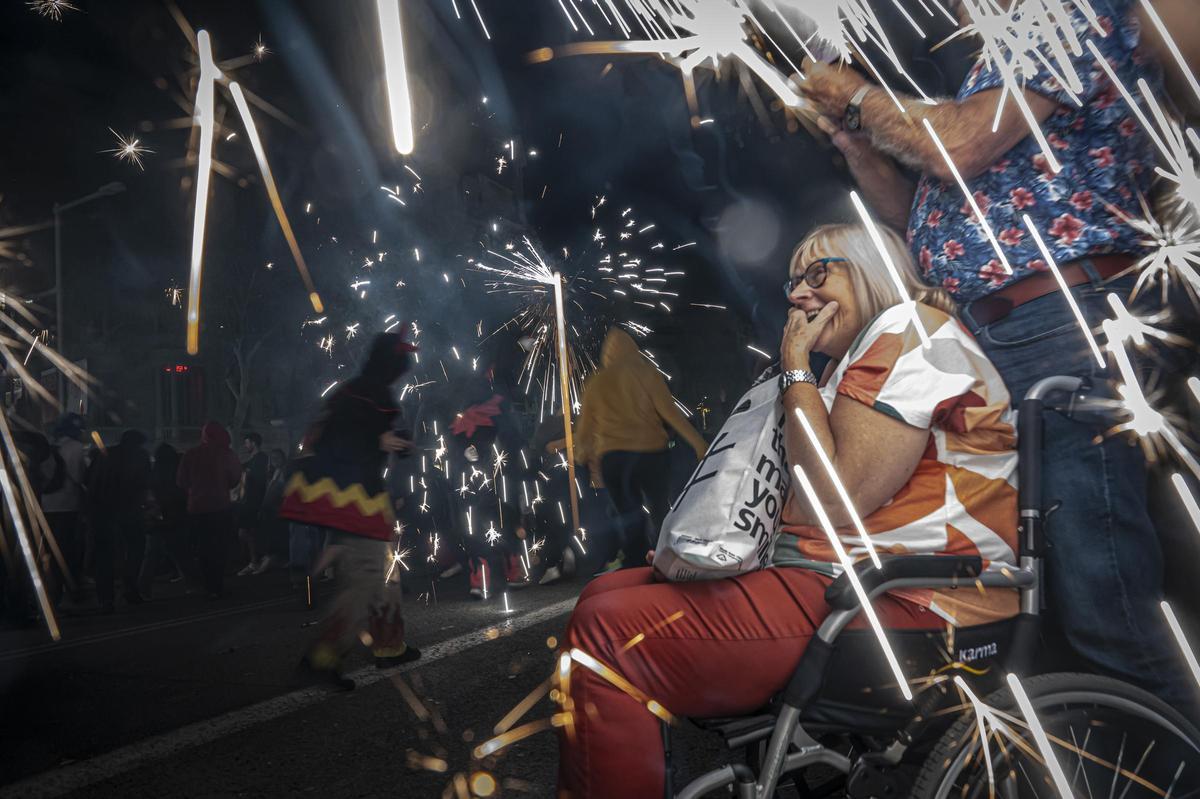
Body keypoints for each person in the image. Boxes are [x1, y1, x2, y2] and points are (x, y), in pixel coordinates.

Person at [794, 0, 1188, 706]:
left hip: (1058, 320)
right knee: (1040, 594)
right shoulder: (992, 58)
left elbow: (956, 145)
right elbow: (921, 223)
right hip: (998, 333)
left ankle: (1175, 753)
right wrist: (858, 142)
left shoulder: (1068, 14)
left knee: (1100, 590)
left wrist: (857, 96)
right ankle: (1108, 753)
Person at [558, 224, 1020, 797]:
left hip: (916, 602)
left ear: (871, 269)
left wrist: (795, 365)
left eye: (818, 273)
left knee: (607, 634)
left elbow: (829, 498)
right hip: (854, 581)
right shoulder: (858, 357)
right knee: (602, 596)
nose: (798, 294)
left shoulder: (909, 330)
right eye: (794, 280)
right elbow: (801, 495)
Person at [280, 332, 421, 686]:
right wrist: (379, 441)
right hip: (353, 504)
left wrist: (396, 444)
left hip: (370, 501)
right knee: (362, 585)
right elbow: (338, 445)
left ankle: (390, 646)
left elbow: (375, 437)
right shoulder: (361, 393)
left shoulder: (367, 391)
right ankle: (320, 661)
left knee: (387, 577)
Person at [573, 328, 708, 572]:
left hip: (612, 457)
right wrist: (698, 443)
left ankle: (635, 562)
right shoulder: (647, 373)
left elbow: (585, 427)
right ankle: (665, 553)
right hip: (650, 453)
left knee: (628, 512)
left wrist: (582, 453)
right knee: (659, 507)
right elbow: (670, 413)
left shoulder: (596, 382)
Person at [87, 430, 152, 613]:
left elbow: (90, 481)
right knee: (134, 551)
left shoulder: (104, 455)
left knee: (105, 556)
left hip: (102, 512)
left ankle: (106, 599)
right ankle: (130, 589)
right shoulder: (140, 456)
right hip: (129, 511)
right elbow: (144, 483)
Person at [177, 422, 242, 599]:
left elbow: (182, 481)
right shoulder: (227, 454)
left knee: (202, 547)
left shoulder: (191, 454)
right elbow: (235, 478)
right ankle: (216, 584)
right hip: (220, 506)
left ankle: (205, 583)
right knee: (219, 547)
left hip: (197, 508)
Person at [41, 414, 87, 605]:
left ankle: (52, 594)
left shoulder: (50, 447)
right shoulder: (76, 449)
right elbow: (79, 478)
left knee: (51, 552)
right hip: (69, 506)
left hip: (47, 505)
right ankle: (70, 593)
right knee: (69, 552)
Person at [138, 443, 188, 598]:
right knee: (180, 553)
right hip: (174, 518)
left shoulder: (153, 474)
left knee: (151, 555)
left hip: (157, 519)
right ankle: (193, 583)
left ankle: (143, 589)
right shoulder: (176, 473)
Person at [235, 432, 270, 576]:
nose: (245, 445)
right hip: (247, 501)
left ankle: (255, 561)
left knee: (247, 532)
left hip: (253, 502)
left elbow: (258, 480)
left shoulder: (261, 459)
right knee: (245, 533)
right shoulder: (253, 459)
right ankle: (255, 560)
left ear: (253, 443)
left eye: (247, 442)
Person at [253, 448, 288, 574]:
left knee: (274, 538)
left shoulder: (284, 472)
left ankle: (270, 561)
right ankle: (271, 560)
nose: (274, 460)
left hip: (276, 510)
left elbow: (285, 492)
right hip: (270, 510)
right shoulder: (274, 472)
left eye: (277, 458)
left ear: (283, 459)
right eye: (272, 458)